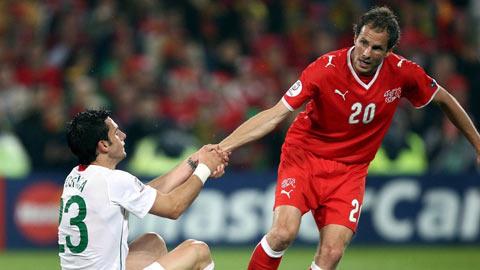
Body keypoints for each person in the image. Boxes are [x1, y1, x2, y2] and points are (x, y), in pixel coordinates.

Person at [216, 6, 480, 270]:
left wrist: (478, 144)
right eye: (363, 42)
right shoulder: (325, 69)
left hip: (349, 171)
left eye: (376, 48)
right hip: (305, 158)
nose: (366, 53)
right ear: (355, 36)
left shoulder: (403, 73)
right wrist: (222, 146)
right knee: (283, 233)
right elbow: (275, 114)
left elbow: (445, 99)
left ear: (389, 51)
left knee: (331, 254)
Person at [58, 109, 228, 270]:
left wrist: (193, 161)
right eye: (116, 133)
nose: (123, 136)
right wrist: (205, 168)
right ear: (104, 145)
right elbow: (174, 207)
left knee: (152, 243)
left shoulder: (75, 177)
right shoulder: (115, 180)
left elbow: (144, 192)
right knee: (198, 251)